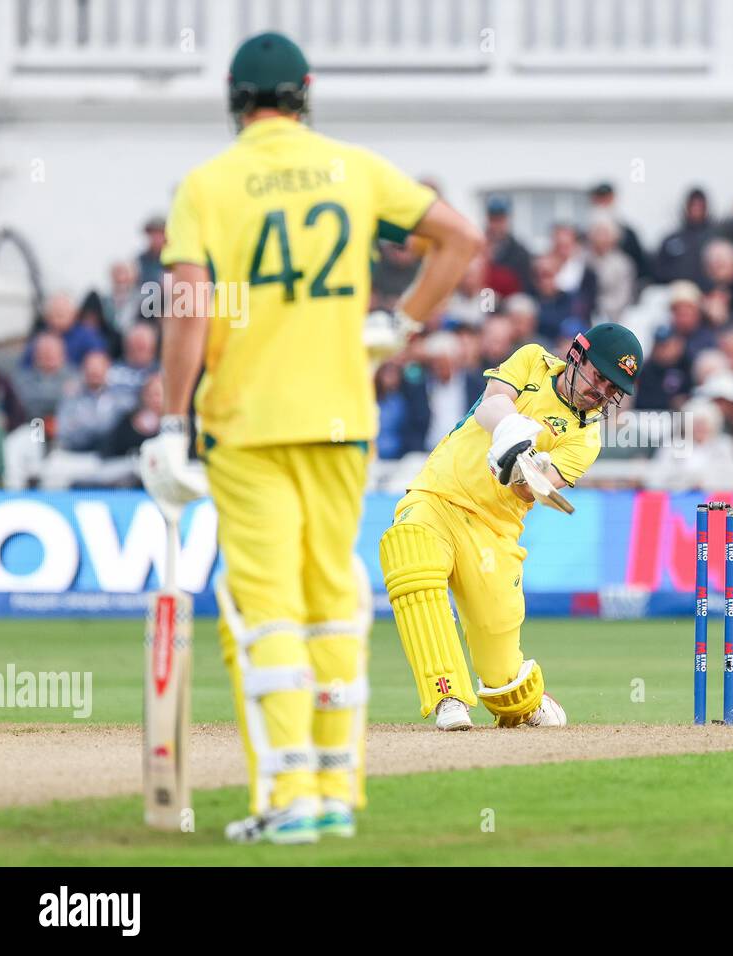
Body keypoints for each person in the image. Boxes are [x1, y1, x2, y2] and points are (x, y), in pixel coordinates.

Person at [140, 32, 482, 846]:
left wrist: (169, 419)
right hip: (341, 419)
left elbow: (189, 305)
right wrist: (397, 328)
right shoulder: (353, 167)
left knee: (265, 609)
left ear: (234, 99)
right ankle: (335, 789)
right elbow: (461, 240)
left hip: (249, 423)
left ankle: (287, 794)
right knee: (332, 598)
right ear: (306, 91)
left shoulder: (207, 185)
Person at [380, 323, 643, 732]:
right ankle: (447, 694)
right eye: (600, 378)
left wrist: (526, 466)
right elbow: (491, 404)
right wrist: (510, 434)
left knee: (502, 679)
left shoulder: (586, 438)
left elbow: (531, 492)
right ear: (576, 356)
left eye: (613, 390)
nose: (603, 394)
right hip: (437, 494)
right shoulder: (533, 360)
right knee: (411, 560)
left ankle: (526, 700)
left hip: (493, 530)